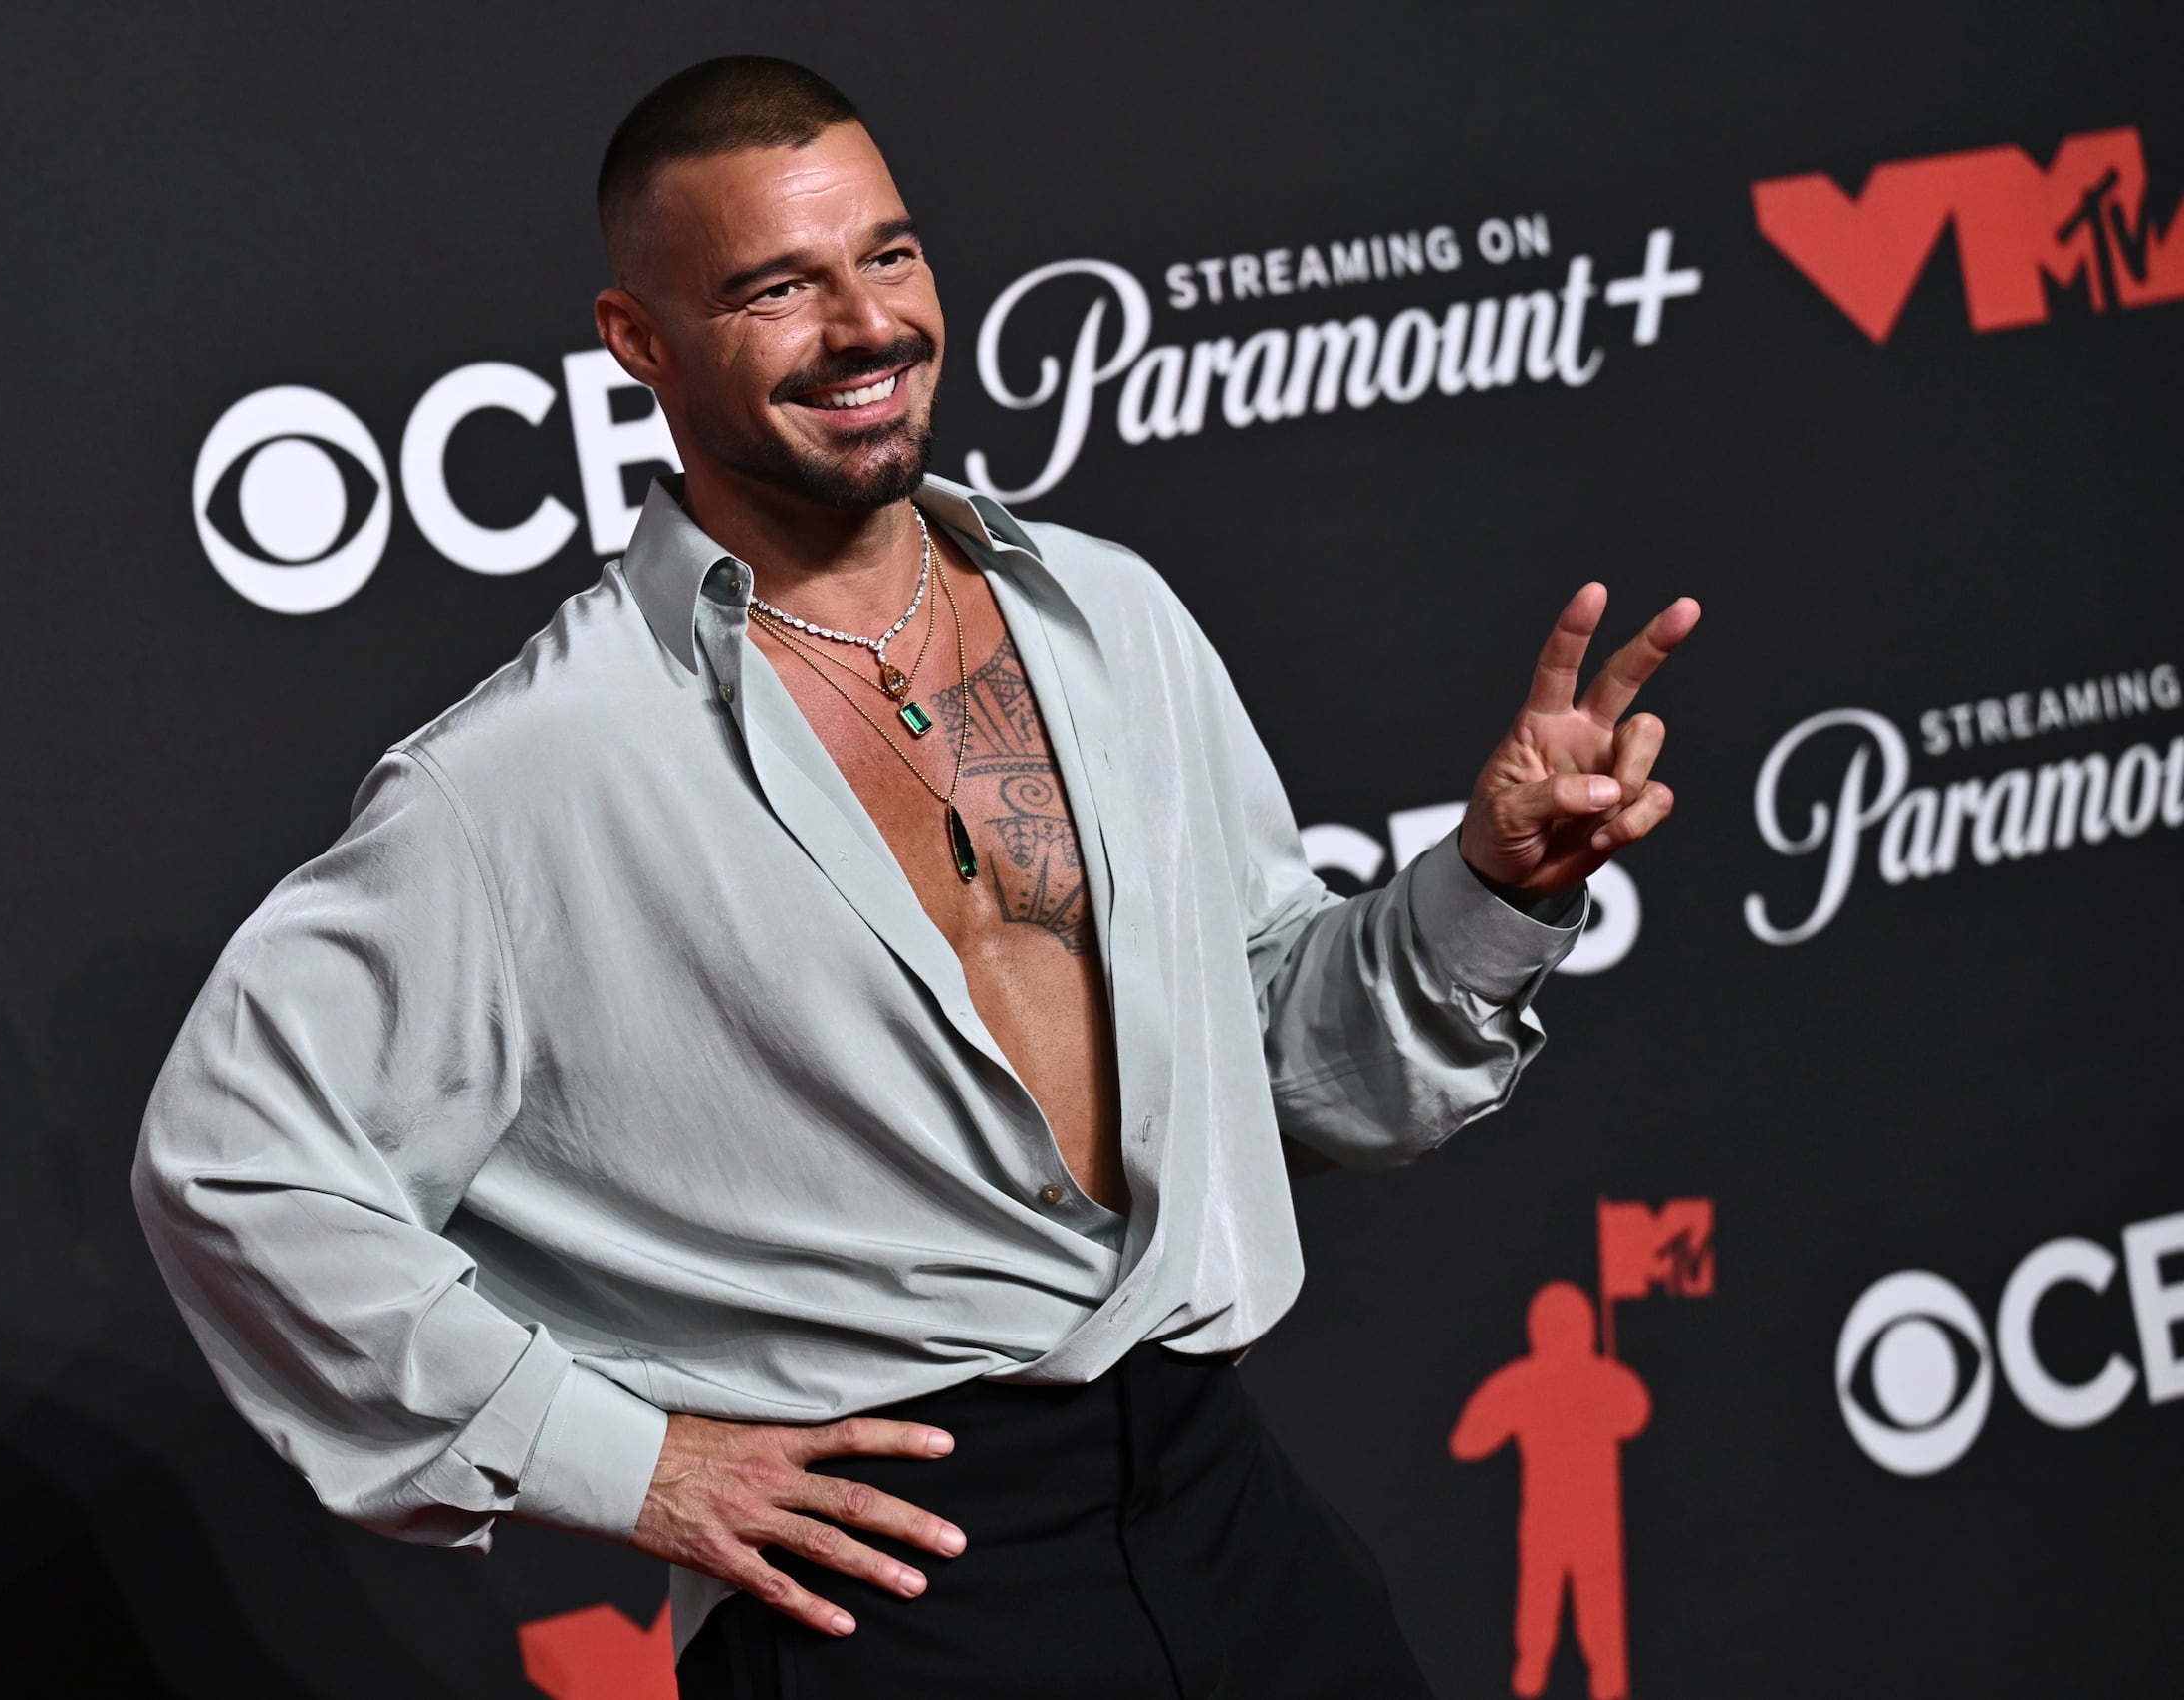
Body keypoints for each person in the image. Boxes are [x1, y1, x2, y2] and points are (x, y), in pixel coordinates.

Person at [131, 54, 1698, 1700]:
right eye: (776, 288)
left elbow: (1293, 1054)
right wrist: (631, 1460)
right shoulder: (523, 778)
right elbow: (236, 1168)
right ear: (639, 343)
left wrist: (1491, 889)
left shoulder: (1109, 614)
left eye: (888, 255)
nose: (868, 327)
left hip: (1225, 1514)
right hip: (891, 1592)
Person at [1451, 1281, 1653, 1700]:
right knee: (1541, 1606)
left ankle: (1600, 1677)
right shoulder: (1534, 1382)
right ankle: (1539, 1673)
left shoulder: (1572, 1381)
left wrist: (1610, 1383)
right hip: (1553, 1519)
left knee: (1594, 1609)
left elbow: (1636, 1412)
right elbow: (1467, 1441)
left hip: (1590, 1519)